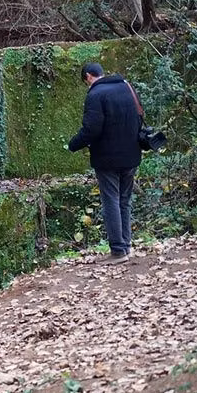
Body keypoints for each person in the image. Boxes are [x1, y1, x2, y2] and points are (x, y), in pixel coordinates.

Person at [68, 62, 142, 265]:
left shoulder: (95, 95)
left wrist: (73, 145)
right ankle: (126, 246)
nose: (87, 85)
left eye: (86, 81)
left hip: (107, 158)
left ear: (89, 76)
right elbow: (139, 116)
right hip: (131, 154)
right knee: (124, 200)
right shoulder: (127, 87)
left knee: (111, 200)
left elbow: (91, 129)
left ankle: (118, 251)